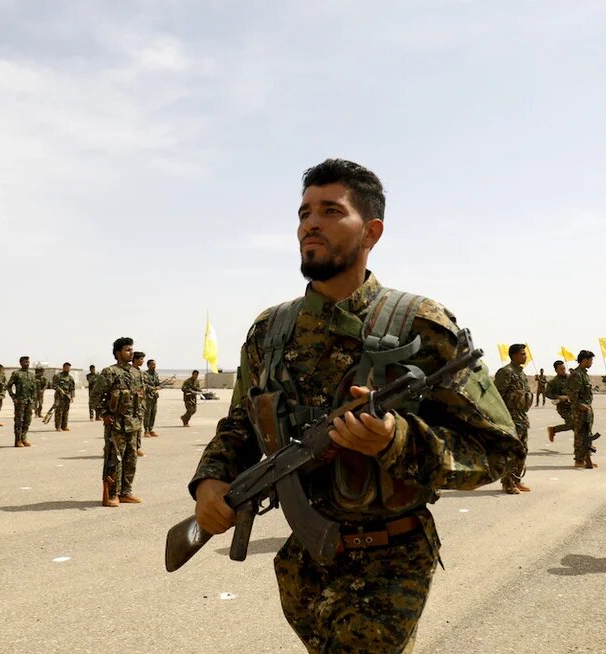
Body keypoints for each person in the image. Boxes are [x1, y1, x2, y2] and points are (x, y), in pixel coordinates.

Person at [188, 158, 521, 652]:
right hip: (303, 567)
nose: (310, 224)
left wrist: (397, 441)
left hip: (390, 564)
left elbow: (499, 450)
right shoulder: (270, 330)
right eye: (304, 213)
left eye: (330, 211)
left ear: (371, 231)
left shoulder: (420, 325)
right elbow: (241, 422)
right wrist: (212, 481)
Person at [95, 337, 144, 506]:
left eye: (131, 349)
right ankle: (112, 494)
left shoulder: (137, 373)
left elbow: (141, 397)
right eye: (127, 350)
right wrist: (104, 414)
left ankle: (126, 492)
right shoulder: (110, 372)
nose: (131, 352)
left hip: (133, 424)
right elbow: (96, 395)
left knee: (131, 459)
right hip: (116, 424)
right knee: (114, 460)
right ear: (118, 353)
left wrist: (140, 418)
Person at [494, 344, 533, 494]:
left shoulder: (521, 373)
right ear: (514, 355)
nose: (525, 356)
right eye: (523, 354)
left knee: (522, 450)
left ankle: (516, 479)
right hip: (510, 418)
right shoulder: (506, 372)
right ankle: (507, 483)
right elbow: (497, 396)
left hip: (521, 417)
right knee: (510, 451)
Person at [566, 350, 597, 469]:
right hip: (580, 410)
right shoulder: (577, 374)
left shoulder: (584, 374)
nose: (592, 362)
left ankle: (586, 458)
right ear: (585, 360)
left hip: (587, 408)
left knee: (587, 434)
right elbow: (572, 394)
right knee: (580, 434)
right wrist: (579, 405)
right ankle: (579, 459)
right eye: (591, 360)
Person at [6, 356, 37, 447]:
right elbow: (8, 386)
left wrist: (33, 400)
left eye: (28, 362)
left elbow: (34, 388)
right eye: (25, 362)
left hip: (29, 401)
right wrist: (13, 397)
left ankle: (24, 438)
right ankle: (18, 440)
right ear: (21, 363)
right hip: (20, 401)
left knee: (27, 421)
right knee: (19, 421)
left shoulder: (31, 375)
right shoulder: (16, 374)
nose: (27, 364)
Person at [544, 360, 573, 442]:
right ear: (556, 370)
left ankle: (585, 443)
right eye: (561, 369)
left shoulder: (571, 378)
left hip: (574, 405)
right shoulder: (553, 382)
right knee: (573, 424)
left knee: (578, 424)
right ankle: (554, 430)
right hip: (563, 407)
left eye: (564, 368)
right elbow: (547, 393)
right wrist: (559, 397)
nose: (563, 370)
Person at [130, 353, 147, 456]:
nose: (142, 361)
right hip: (132, 404)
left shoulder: (140, 372)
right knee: (131, 428)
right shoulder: (129, 371)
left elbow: (143, 386)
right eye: (141, 359)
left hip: (140, 404)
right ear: (135, 359)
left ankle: (137, 447)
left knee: (139, 427)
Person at [50, 362, 76, 431]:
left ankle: (64, 426)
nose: (68, 369)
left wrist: (72, 396)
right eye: (67, 368)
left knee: (66, 411)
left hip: (67, 397)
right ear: (63, 368)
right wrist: (59, 390)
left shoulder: (70, 378)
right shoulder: (58, 376)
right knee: (59, 411)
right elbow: (53, 385)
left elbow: (72, 388)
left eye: (69, 368)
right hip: (59, 396)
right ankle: (58, 427)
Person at [143, 359, 161, 437]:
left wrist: (158, 387)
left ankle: (151, 429)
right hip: (148, 397)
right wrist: (152, 388)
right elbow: (144, 385)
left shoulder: (156, 374)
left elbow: (157, 383)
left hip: (154, 396)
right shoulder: (145, 374)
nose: (154, 366)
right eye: (152, 364)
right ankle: (146, 430)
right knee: (147, 413)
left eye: (155, 364)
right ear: (148, 365)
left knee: (153, 413)